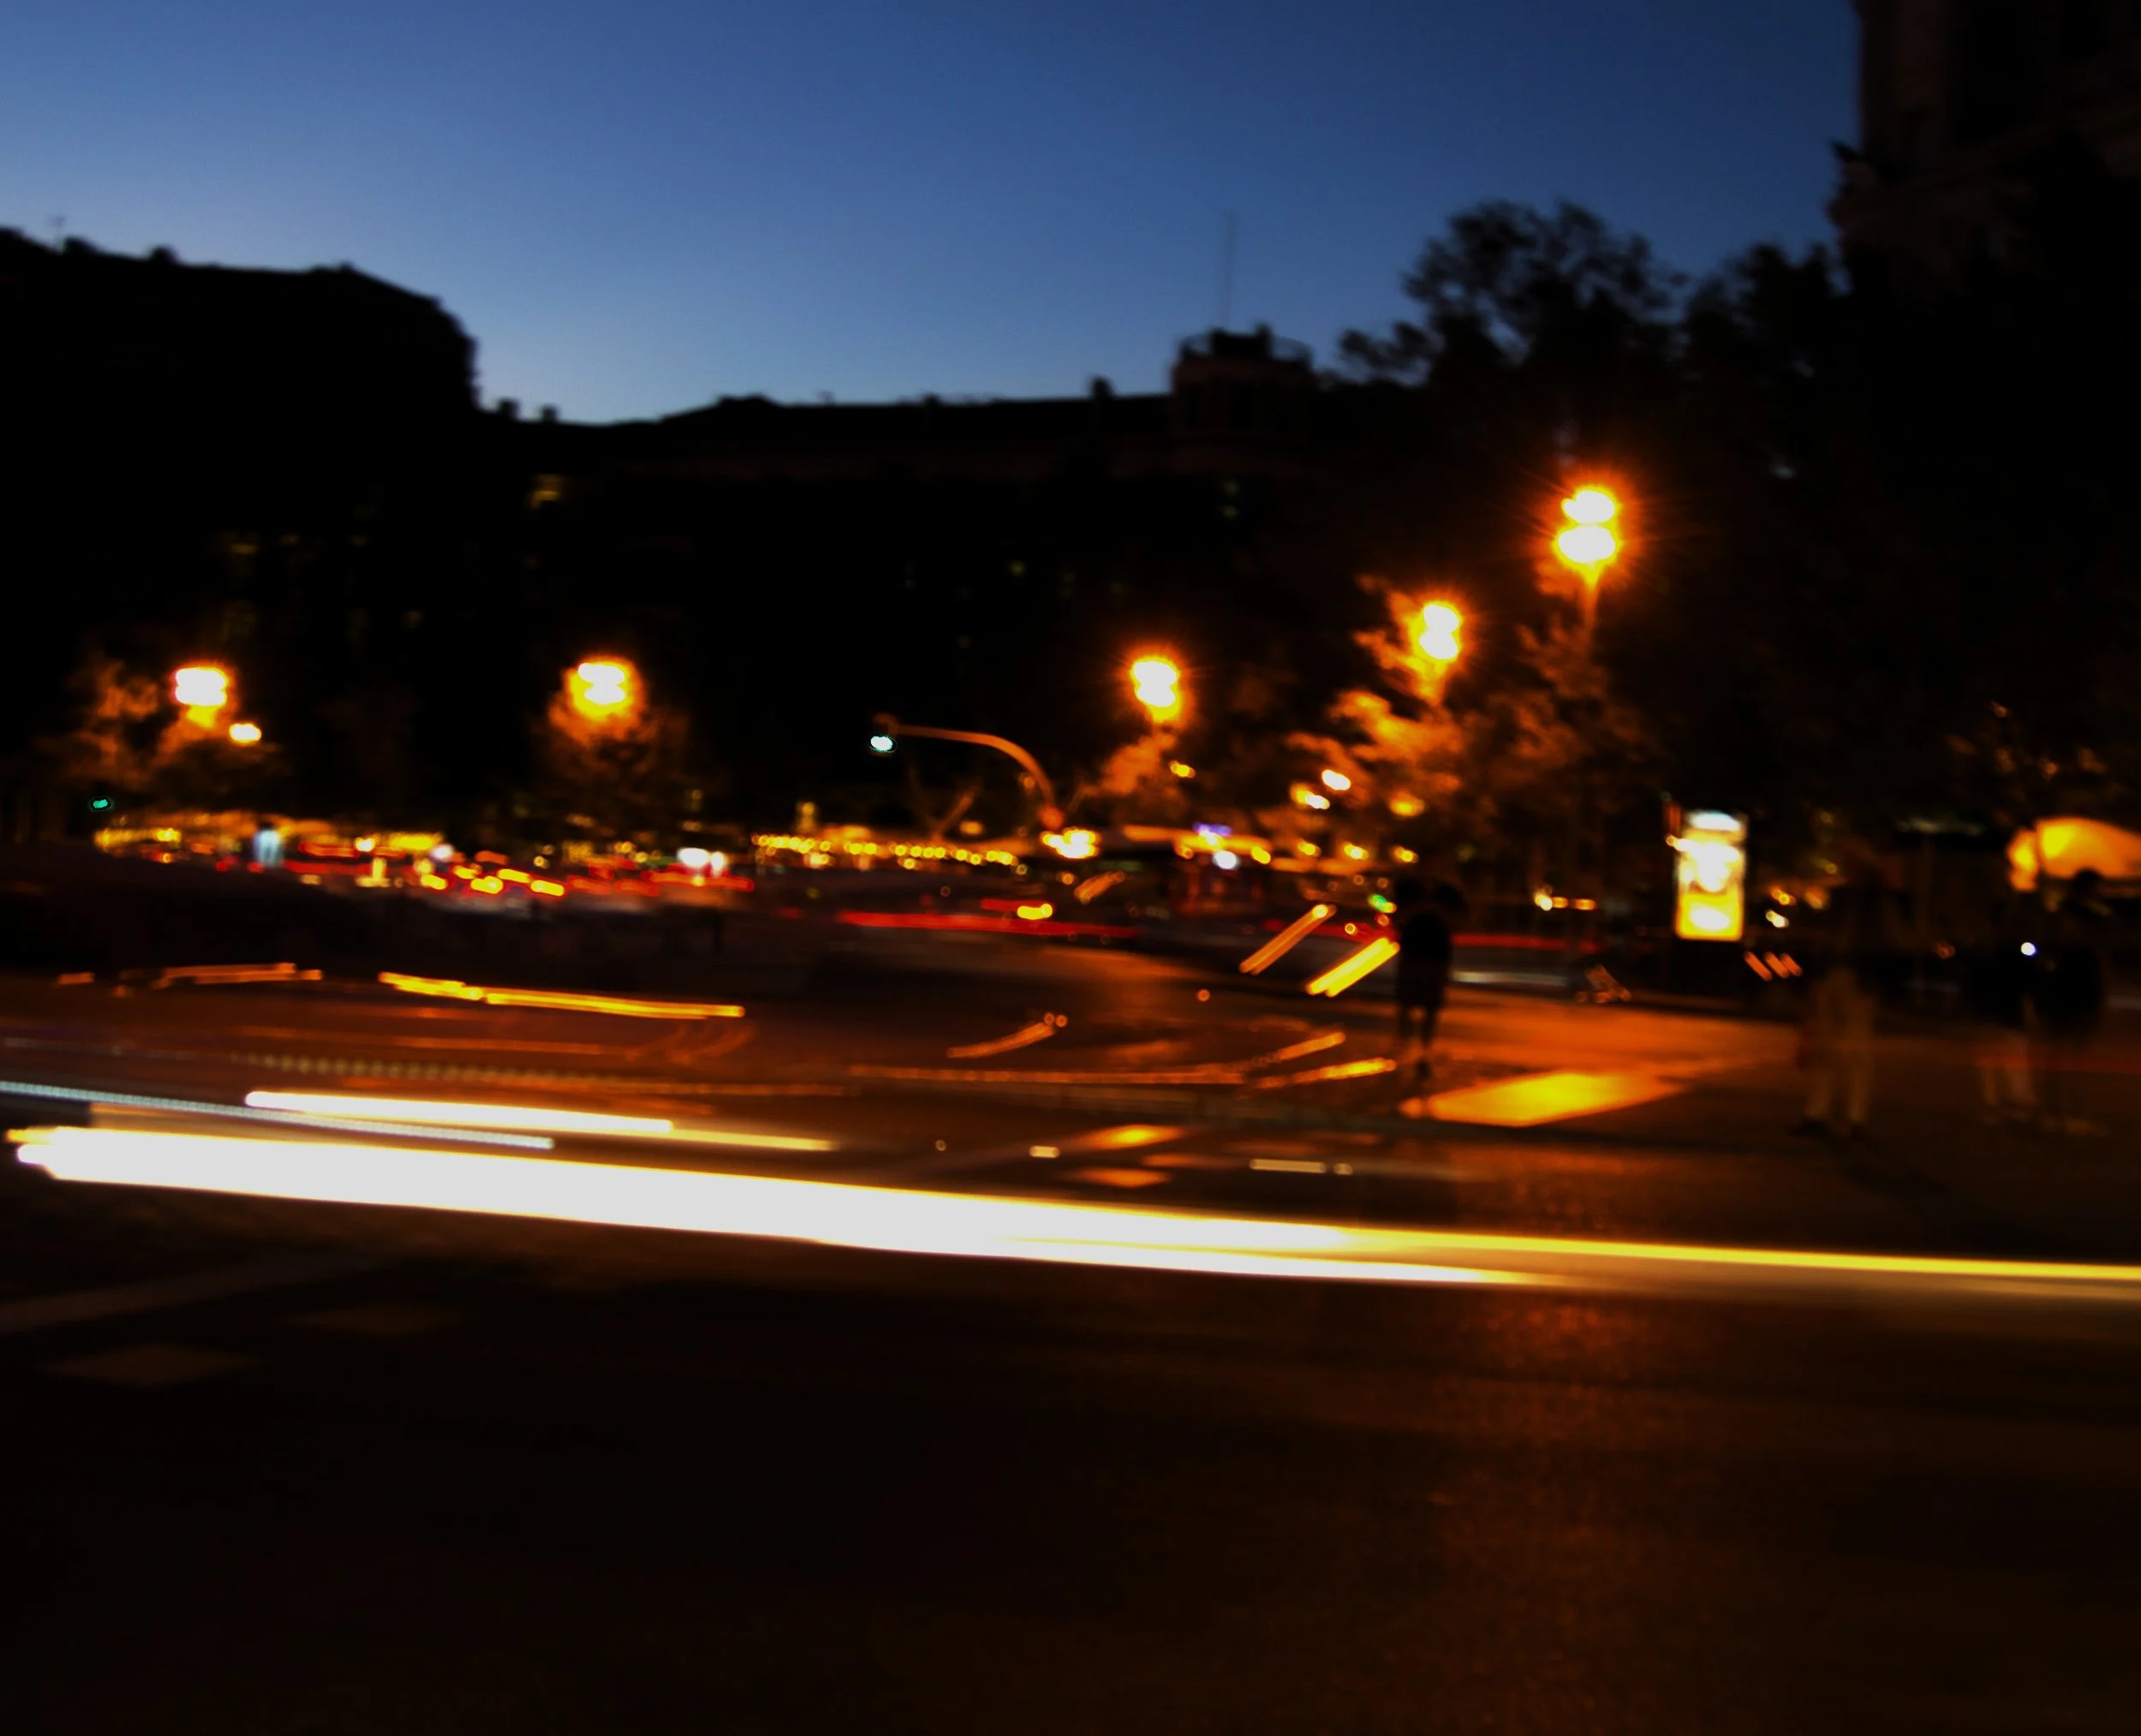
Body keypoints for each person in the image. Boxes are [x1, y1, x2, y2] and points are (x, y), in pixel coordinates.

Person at [2031, 870, 2109, 1136]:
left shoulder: (2063, 917)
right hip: (2076, 994)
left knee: (2060, 1057)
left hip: (2065, 994)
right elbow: (2087, 956)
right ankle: (2067, 1115)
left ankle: (2056, 1114)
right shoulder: (2085, 920)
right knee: (2071, 1058)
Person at [1794, 945, 1878, 1139]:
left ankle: (1853, 1118)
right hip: (1843, 972)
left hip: (1857, 975)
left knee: (1855, 1053)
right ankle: (1820, 1114)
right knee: (1826, 1052)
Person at [1962, 916, 2036, 1126]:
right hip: (2005, 1014)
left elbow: (1971, 983)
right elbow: (2028, 982)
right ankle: (2011, 1103)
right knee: (2011, 1060)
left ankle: (1999, 1103)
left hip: (1993, 1013)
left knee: (1996, 1061)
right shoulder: (2013, 951)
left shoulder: (1984, 952)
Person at [1393, 878, 1463, 1087]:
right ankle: (1403, 1047)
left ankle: (1424, 1052)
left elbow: (1459, 921)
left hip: (1436, 954)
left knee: (1430, 1007)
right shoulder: (1408, 888)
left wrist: (1437, 912)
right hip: (1413, 951)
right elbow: (1398, 916)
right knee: (1406, 1004)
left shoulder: (1448, 892)